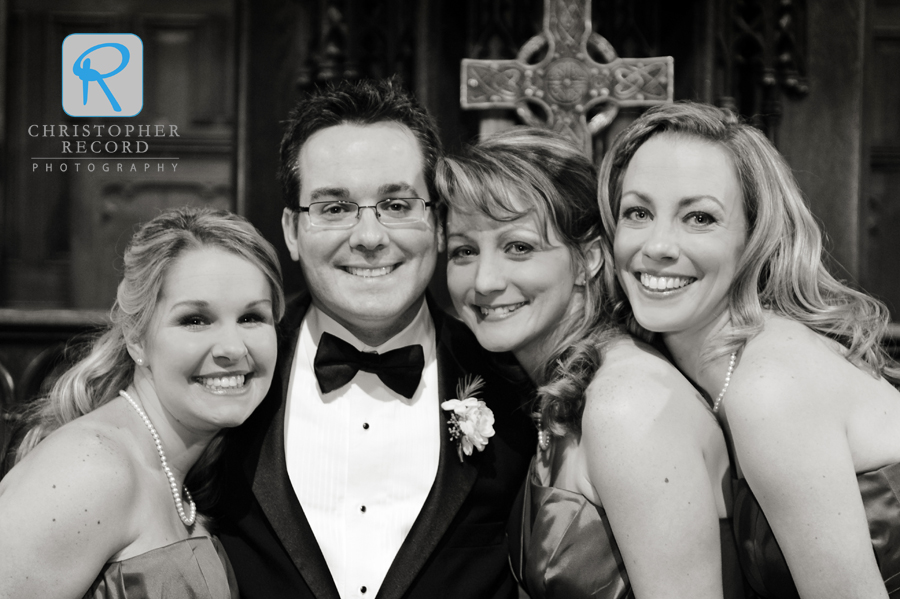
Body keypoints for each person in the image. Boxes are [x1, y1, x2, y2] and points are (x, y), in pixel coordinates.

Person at [215, 77, 535, 599]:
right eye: (334, 208)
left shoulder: (515, 381)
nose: (368, 238)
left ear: (436, 223)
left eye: (396, 204)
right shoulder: (232, 371)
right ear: (293, 231)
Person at [598, 101, 900, 599]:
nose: (658, 245)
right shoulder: (695, 370)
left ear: (754, 237)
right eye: (638, 212)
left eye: (698, 217)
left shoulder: (770, 387)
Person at [436, 127, 747, 598]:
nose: (484, 281)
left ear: (589, 260)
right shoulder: (565, 386)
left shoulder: (627, 404)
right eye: (464, 251)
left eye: (518, 247)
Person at [0, 207, 284, 598]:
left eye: (252, 317)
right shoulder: (92, 468)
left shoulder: (181, 473)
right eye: (195, 320)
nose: (233, 348)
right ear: (136, 337)